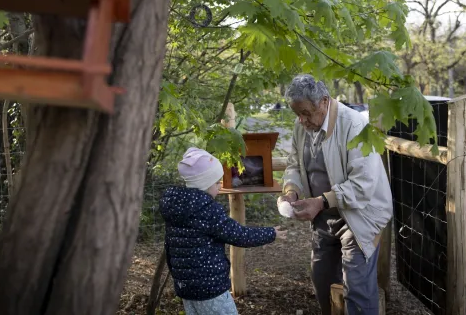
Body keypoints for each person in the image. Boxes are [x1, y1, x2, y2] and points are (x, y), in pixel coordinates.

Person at [278, 74, 392, 315]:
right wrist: (291, 191)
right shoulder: (302, 126)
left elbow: (363, 184)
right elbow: (295, 165)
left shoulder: (354, 125)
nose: (301, 120)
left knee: (358, 289)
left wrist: (320, 201)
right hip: (323, 216)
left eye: (306, 113)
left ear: (324, 102)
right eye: (297, 114)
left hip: (360, 216)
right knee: (321, 280)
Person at [161, 147, 287, 315]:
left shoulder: (176, 206)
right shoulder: (207, 210)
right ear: (204, 184)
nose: (220, 186)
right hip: (210, 287)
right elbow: (239, 235)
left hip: (186, 287)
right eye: (216, 182)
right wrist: (271, 233)